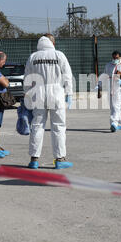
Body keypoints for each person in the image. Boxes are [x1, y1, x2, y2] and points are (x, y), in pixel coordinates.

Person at [23, 34, 73, 169]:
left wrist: (27, 94)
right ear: (52, 43)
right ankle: (60, 159)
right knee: (58, 126)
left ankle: (34, 159)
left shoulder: (33, 57)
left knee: (37, 126)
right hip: (56, 93)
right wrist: (69, 93)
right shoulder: (59, 55)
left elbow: (27, 78)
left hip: (38, 94)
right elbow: (67, 76)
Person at [98, 51, 121, 132]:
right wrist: (99, 86)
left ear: (120, 57)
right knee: (112, 106)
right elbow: (104, 76)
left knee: (116, 105)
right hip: (110, 88)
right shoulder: (108, 65)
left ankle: (114, 123)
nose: (115, 59)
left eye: (116, 58)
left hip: (119, 89)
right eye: (113, 58)